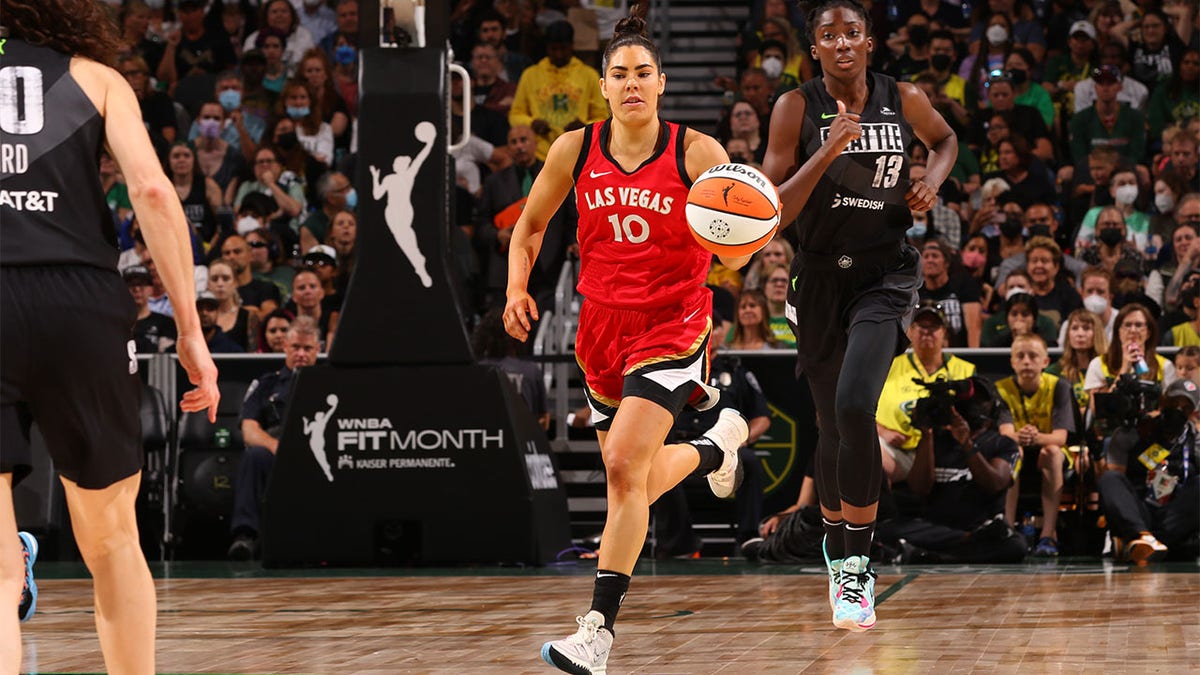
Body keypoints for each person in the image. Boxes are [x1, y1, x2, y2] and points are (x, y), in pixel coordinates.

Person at [503, 8, 752, 672]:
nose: (632, 83)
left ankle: (596, 631)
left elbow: (741, 247)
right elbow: (528, 228)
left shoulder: (698, 152)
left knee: (620, 465)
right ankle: (712, 445)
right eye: (620, 74)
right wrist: (516, 288)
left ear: (663, 82)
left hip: (673, 324)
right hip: (601, 332)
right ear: (603, 87)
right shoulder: (574, 148)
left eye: (644, 72)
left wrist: (741, 245)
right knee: (631, 479)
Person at [0, 3, 221, 671]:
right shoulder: (95, 77)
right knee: (112, 540)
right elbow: (153, 191)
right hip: (81, 303)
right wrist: (189, 328)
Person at [762, 0, 956, 632]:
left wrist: (934, 178)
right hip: (817, 277)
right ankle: (835, 536)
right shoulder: (795, 107)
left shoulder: (904, 98)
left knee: (854, 408)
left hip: (884, 276)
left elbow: (948, 139)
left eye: (851, 32)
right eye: (828, 35)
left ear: (868, 42)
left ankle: (855, 567)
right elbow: (773, 208)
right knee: (829, 424)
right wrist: (828, 150)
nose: (841, 42)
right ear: (813, 49)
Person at [875, 376, 1027, 564]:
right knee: (886, 530)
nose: (972, 406)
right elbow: (919, 488)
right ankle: (966, 541)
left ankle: (931, 556)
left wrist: (966, 444)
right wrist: (927, 435)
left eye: (979, 401)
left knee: (1015, 546)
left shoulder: (1002, 443)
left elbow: (995, 484)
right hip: (936, 526)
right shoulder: (938, 439)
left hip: (981, 525)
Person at [228, 316, 321, 559]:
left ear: (318, 350)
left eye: (308, 348)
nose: (301, 353)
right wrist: (275, 446)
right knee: (254, 456)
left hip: (321, 452)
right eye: (296, 347)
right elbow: (248, 429)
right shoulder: (266, 384)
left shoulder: (330, 384)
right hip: (276, 451)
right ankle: (245, 537)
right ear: (285, 348)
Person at [1097, 378, 1200, 562]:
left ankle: (1139, 543)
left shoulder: (1195, 441)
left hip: (1173, 517)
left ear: (1192, 413)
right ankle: (1143, 536)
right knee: (1110, 478)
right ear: (1163, 402)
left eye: (1184, 408)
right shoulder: (1138, 431)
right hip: (1141, 509)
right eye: (1174, 403)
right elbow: (1114, 488)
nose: (1177, 411)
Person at [876, 301, 977, 483]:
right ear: (910, 331)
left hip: (949, 450)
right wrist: (882, 431)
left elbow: (976, 419)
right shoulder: (889, 366)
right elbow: (861, 408)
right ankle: (879, 512)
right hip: (899, 450)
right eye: (921, 325)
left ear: (944, 332)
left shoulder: (966, 371)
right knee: (869, 454)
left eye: (934, 326)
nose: (926, 331)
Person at [995, 334, 1077, 555]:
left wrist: (1035, 436)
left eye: (1033, 356)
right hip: (1018, 449)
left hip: (1049, 451)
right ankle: (1008, 531)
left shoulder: (1059, 386)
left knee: (1051, 451)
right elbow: (1006, 434)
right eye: (1020, 356)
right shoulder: (1001, 389)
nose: (1027, 361)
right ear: (1012, 361)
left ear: (1045, 362)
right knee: (1014, 451)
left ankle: (1048, 535)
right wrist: (1023, 437)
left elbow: (1060, 438)